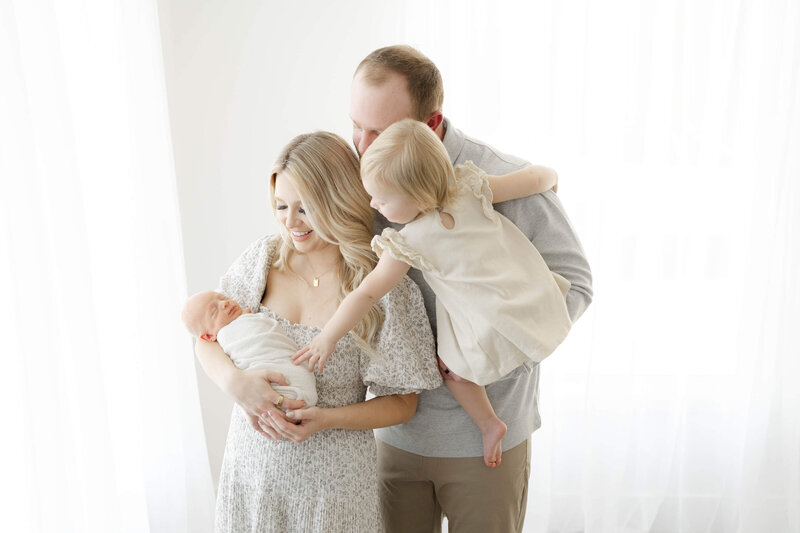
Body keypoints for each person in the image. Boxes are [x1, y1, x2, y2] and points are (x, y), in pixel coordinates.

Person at [349, 45, 594, 533]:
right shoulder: (364, 180)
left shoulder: (494, 177)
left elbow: (576, 284)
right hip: (393, 434)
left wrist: (491, 354)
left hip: (486, 447)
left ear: (432, 121)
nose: (362, 143)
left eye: (379, 130)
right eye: (356, 124)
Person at [194, 131, 442, 532]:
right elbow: (205, 338)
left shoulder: (382, 287)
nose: (290, 222)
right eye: (281, 206)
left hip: (334, 492)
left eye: (305, 209)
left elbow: (403, 403)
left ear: (339, 200)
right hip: (252, 480)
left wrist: (326, 419)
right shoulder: (261, 260)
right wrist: (235, 383)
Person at [294, 119, 571, 469]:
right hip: (519, 290)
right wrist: (553, 179)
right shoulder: (469, 188)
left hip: (479, 314)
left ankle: (488, 423)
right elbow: (530, 180)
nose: (375, 205)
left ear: (416, 195)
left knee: (451, 369)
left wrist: (328, 337)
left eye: (382, 199)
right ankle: (492, 421)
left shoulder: (409, 241)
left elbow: (366, 294)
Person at [182, 290, 317, 406]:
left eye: (222, 298)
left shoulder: (244, 317)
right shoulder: (225, 336)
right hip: (271, 393)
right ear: (209, 336)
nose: (224, 303)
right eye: (213, 312)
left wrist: (247, 319)